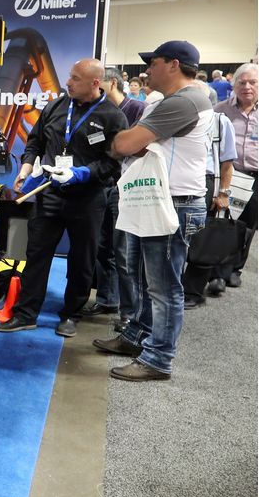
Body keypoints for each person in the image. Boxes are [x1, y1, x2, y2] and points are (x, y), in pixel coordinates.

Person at [95, 40, 212, 382]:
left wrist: (124, 140)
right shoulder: (183, 100)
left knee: (163, 287)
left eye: (154, 63)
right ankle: (137, 337)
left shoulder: (184, 101)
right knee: (148, 280)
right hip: (164, 200)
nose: (147, 70)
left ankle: (159, 358)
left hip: (173, 204)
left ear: (173, 65)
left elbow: (125, 144)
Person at [0, 59, 127, 338]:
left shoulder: (112, 116)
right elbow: (35, 141)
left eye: (75, 78)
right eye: (69, 76)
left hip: (88, 200)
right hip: (49, 193)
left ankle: (71, 314)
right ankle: (26, 313)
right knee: (37, 254)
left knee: (82, 259)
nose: (68, 82)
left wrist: (81, 174)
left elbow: (112, 163)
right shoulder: (56, 106)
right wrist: (28, 166)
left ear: (94, 83)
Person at [86, 67, 145, 324]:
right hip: (103, 186)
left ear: (111, 83)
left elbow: (136, 149)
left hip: (127, 190)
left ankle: (129, 314)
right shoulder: (97, 111)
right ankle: (107, 299)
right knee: (103, 247)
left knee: (125, 253)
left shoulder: (137, 110)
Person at [183, 81, 236, 308]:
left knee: (201, 239)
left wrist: (223, 193)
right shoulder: (179, 118)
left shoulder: (220, 122)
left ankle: (193, 292)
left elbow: (227, 163)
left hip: (206, 183)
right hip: (179, 183)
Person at [213, 63, 258, 289]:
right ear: (233, 84)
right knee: (224, 223)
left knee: (248, 226)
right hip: (228, 174)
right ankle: (218, 272)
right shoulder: (220, 109)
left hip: (255, 178)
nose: (247, 87)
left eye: (253, 82)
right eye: (242, 82)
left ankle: (236, 269)